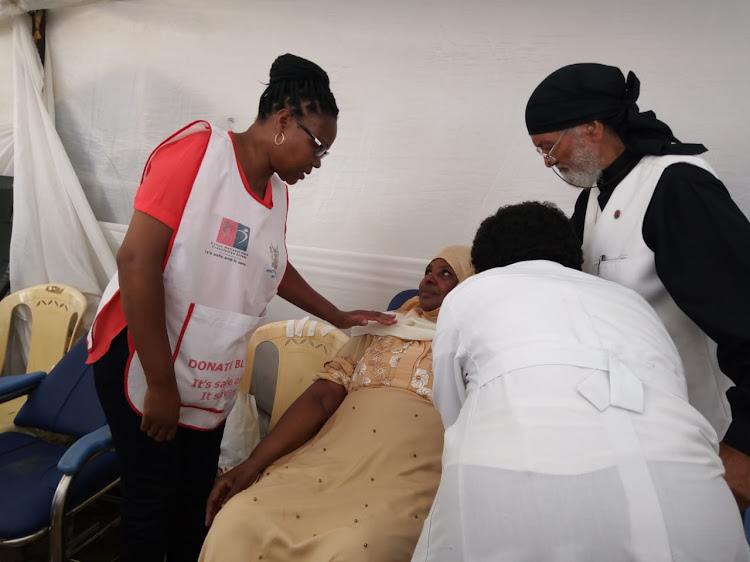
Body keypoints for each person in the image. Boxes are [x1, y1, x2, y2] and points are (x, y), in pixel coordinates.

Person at [86, 53, 395, 562]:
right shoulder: (199, 152)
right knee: (151, 501)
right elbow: (136, 259)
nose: (316, 163)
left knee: (196, 497)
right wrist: (162, 384)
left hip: (205, 364)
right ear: (281, 121)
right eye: (316, 146)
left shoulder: (275, 193)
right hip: (143, 355)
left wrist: (337, 316)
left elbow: (272, 266)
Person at [412, 202, 750, 562]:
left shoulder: (470, 293)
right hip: (689, 495)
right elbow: (670, 388)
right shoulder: (632, 302)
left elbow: (451, 406)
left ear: (481, 264)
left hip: (511, 491)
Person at [525, 62, 750, 507]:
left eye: (550, 148)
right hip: (626, 423)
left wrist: (744, 447)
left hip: (697, 426)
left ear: (591, 127)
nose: (550, 162)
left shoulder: (677, 186)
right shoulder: (591, 198)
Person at [199, 246, 474, 562]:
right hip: (329, 464)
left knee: (354, 548)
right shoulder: (381, 329)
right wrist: (253, 463)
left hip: (404, 479)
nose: (428, 280)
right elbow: (320, 397)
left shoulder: (472, 346)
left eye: (445, 273)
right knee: (239, 520)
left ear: (469, 285)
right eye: (428, 271)